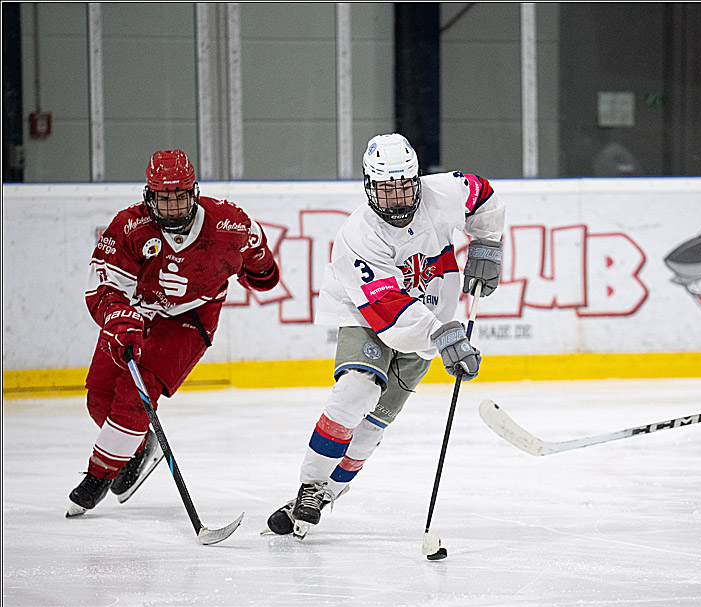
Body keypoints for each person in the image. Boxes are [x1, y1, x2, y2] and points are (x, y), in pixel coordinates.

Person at [264, 133, 506, 538]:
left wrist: (485, 244)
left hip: (431, 313)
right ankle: (310, 484)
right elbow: (387, 308)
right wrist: (444, 336)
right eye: (384, 189)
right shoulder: (358, 235)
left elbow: (483, 195)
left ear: (417, 179)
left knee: (376, 423)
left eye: (404, 187)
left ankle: (326, 495)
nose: (396, 199)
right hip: (367, 314)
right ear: (368, 185)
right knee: (357, 391)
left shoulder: (443, 193)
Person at [67, 149, 281, 517]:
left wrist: (260, 269)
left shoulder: (227, 223)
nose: (172, 207)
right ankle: (139, 443)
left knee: (139, 390)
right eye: (163, 198)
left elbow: (261, 267)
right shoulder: (128, 227)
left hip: (191, 317)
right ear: (149, 195)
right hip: (135, 315)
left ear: (194, 192)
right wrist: (120, 319)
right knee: (99, 399)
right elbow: (103, 286)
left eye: (180, 197)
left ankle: (97, 477)